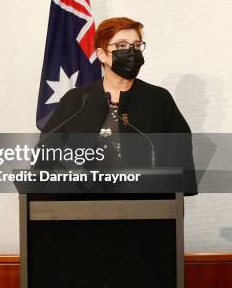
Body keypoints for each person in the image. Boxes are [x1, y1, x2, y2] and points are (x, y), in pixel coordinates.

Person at [41, 17, 197, 194]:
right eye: (122, 45)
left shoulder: (158, 99)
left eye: (137, 45)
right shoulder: (76, 100)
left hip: (145, 209)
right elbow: (48, 151)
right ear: (102, 54)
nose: (132, 51)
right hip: (84, 208)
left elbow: (179, 155)